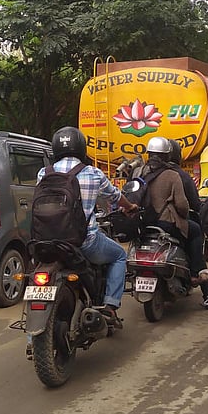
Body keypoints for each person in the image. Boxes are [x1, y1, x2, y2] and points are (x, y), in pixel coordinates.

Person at [41, 126, 138, 327]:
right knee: (120, 255)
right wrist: (129, 207)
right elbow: (115, 197)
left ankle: (33, 339)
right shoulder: (92, 173)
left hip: (46, 242)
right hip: (84, 242)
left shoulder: (44, 172)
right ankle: (110, 305)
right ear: (81, 148)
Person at [143, 137, 208, 309]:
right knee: (196, 231)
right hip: (166, 223)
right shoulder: (176, 175)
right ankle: (202, 280)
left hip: (142, 224)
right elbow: (184, 205)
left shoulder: (139, 171)